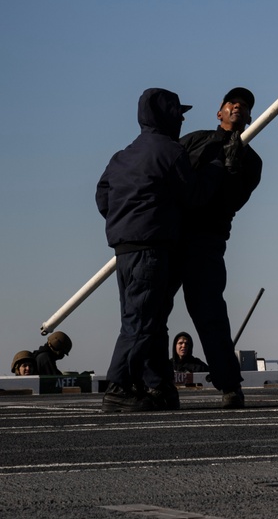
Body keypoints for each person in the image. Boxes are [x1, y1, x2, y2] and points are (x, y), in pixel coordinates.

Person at [96, 87, 208, 413]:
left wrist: (125, 221)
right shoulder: (170, 152)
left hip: (125, 249)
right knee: (143, 323)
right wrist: (214, 169)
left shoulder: (122, 155)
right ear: (169, 116)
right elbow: (195, 195)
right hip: (152, 249)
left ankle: (158, 386)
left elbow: (103, 197)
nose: (184, 120)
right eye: (180, 114)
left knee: (149, 320)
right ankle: (118, 387)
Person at [170, 87, 263, 411]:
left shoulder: (251, 160)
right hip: (169, 236)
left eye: (244, 106)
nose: (237, 107)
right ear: (219, 112)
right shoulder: (195, 140)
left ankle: (229, 385)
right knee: (150, 314)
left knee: (210, 314)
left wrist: (232, 169)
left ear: (250, 117)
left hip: (207, 242)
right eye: (231, 103)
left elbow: (232, 202)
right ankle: (149, 383)